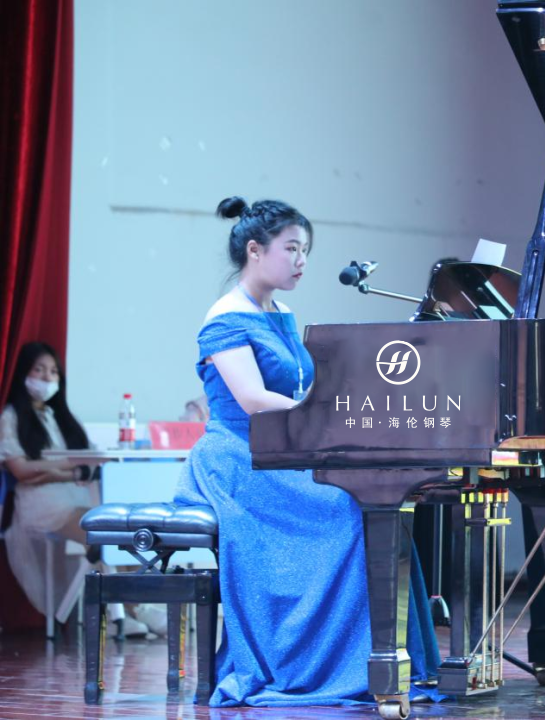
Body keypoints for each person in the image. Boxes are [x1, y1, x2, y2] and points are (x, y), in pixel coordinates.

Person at [173, 197, 441, 707]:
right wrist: (325, 413)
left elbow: (302, 387)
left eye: (306, 251)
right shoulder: (224, 318)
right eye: (292, 249)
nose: (302, 261)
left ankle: (382, 659)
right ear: (255, 250)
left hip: (285, 451)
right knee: (349, 508)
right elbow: (253, 400)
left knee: (376, 501)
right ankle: (322, 664)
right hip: (240, 457)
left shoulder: (280, 313)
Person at [0, 342, 142, 634]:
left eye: (53, 372)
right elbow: (22, 471)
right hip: (41, 504)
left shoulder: (62, 418)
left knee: (123, 533)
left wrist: (55, 470)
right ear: (24, 373)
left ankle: (134, 609)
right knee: (101, 535)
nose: (46, 378)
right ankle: (121, 615)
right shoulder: (10, 417)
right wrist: (69, 469)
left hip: (77, 497)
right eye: (39, 370)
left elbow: (90, 462)